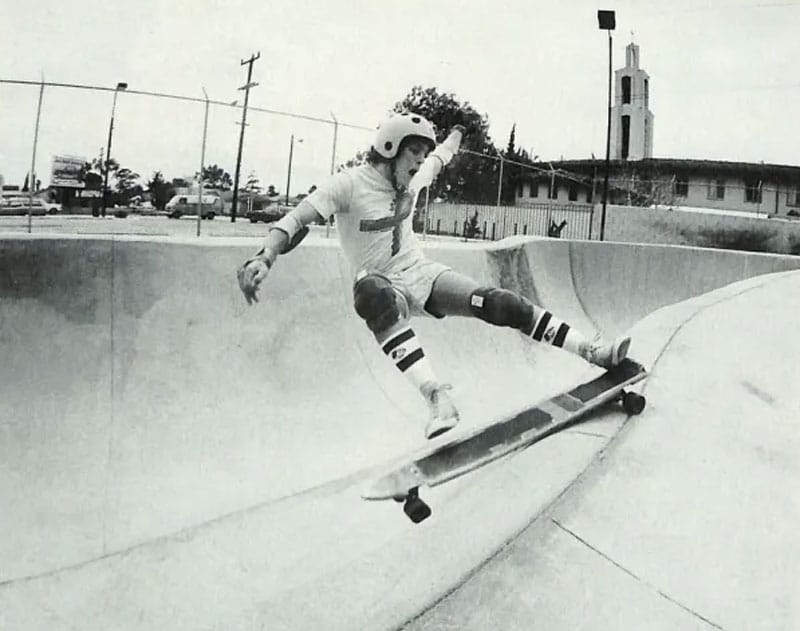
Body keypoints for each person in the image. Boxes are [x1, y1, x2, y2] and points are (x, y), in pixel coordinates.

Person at [237, 112, 630, 440]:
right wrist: (265, 257)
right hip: (381, 282)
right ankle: (436, 397)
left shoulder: (413, 175)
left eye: (422, 154)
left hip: (422, 275)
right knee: (370, 293)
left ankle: (590, 350)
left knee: (501, 303)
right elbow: (295, 220)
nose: (419, 163)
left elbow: (442, 157)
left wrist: (457, 134)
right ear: (390, 149)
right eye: (414, 152)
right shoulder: (348, 185)